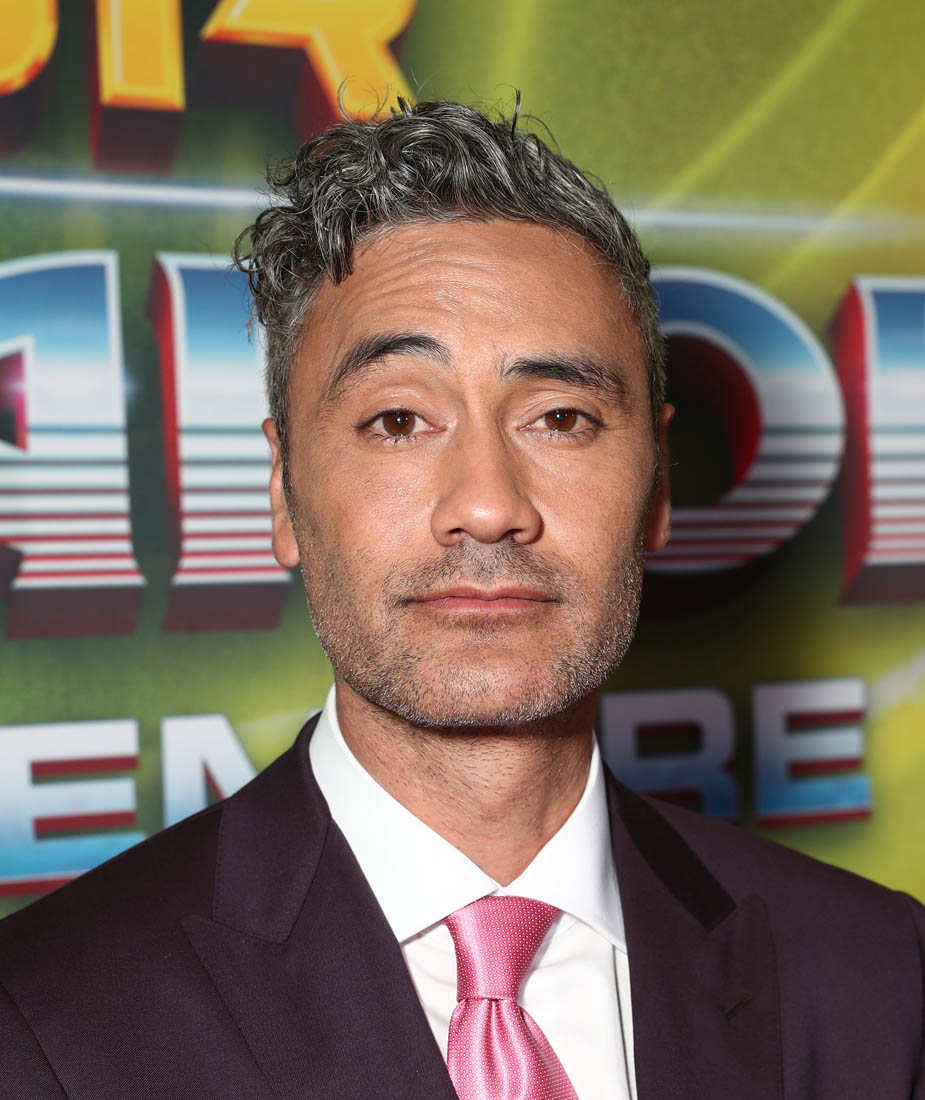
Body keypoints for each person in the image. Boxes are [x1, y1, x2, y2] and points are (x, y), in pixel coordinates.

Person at [0, 98, 922, 1100]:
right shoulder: (44, 1021)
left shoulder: (879, 977)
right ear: (282, 490)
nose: (486, 505)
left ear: (656, 483)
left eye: (560, 417)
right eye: (397, 420)